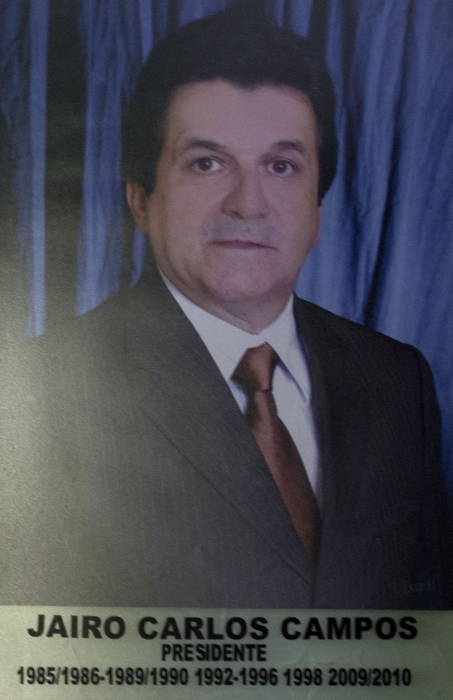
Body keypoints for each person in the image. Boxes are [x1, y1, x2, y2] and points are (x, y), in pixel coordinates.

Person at [1, 9, 451, 608]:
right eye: (207, 163)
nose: (248, 203)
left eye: (282, 166)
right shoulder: (46, 392)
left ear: (317, 211)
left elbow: (429, 631)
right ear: (140, 199)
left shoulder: (397, 381)